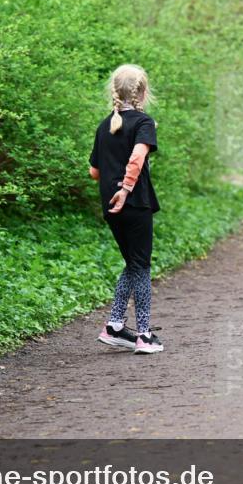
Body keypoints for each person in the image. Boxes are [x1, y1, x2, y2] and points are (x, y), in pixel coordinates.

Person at [89, 64, 163, 354]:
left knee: (133, 264)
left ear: (115, 92)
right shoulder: (143, 123)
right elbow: (137, 157)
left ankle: (115, 326)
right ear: (142, 92)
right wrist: (126, 188)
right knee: (142, 266)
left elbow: (94, 172)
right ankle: (144, 335)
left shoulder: (104, 125)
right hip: (134, 202)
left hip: (111, 205)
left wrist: (114, 186)